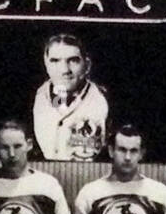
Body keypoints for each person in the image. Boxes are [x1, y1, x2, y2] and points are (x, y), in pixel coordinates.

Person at [31, 33, 109, 162]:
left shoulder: (102, 100)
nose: (64, 69)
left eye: (73, 60)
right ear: (46, 64)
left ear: (87, 65)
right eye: (55, 61)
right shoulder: (36, 96)